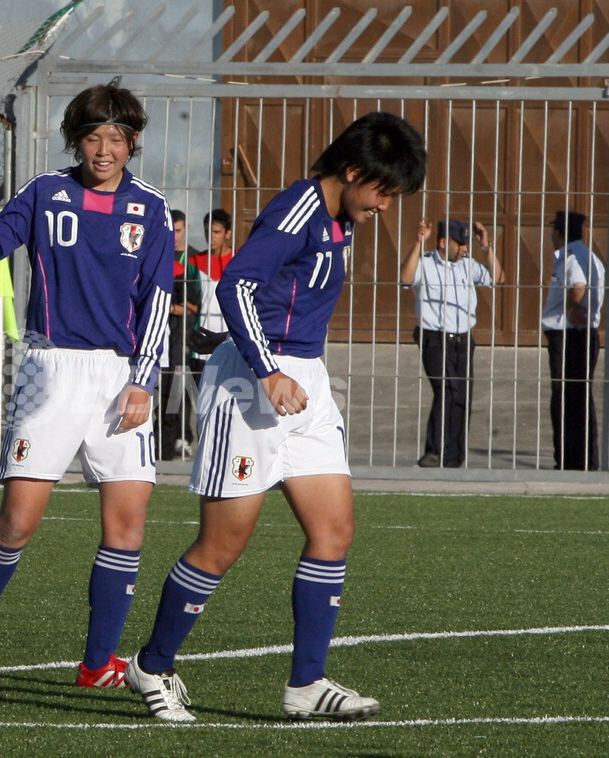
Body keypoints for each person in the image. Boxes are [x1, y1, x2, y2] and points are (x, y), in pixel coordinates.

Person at [124, 111, 427, 722]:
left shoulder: (343, 219)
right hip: (253, 381)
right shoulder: (297, 209)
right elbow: (235, 285)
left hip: (305, 383)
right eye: (384, 192)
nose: (387, 207)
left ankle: (307, 684)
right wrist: (267, 370)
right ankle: (151, 668)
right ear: (352, 171)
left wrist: (292, 373)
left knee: (334, 532)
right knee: (223, 544)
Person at [0, 78, 174, 690]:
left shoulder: (151, 208)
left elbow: (157, 300)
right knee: (17, 522)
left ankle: (97, 664)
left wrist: (143, 380)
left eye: (116, 138)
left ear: (133, 142)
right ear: (76, 140)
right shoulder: (45, 193)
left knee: (128, 526)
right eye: (92, 137)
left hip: (122, 379)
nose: (103, 150)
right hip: (50, 369)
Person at [400, 217, 504, 468]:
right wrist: (417, 242)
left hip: (463, 339)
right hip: (434, 338)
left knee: (462, 395)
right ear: (445, 243)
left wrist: (486, 246)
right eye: (462, 244)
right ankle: (434, 451)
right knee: (446, 391)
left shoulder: (468, 265)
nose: (466, 248)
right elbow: (405, 278)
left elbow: (497, 278)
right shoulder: (425, 262)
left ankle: (454, 456)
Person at [541, 210, 605, 470]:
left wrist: (571, 308)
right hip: (579, 336)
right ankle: (582, 459)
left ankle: (571, 460)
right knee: (579, 398)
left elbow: (578, 286)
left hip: (570, 338)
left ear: (558, 232)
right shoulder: (589, 256)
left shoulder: (572, 257)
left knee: (566, 400)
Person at [158, 209, 201, 460]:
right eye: (171, 230)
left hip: (183, 332)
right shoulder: (157, 254)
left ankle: (183, 437)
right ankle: (161, 437)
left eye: (179, 230)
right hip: (159, 333)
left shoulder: (193, 260)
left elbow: (195, 304)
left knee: (180, 385)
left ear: (186, 230)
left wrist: (171, 308)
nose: (174, 236)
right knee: (160, 386)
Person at [189, 208, 234, 387]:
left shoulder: (239, 260)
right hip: (202, 339)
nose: (211, 237)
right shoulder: (194, 262)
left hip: (231, 338)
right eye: (208, 232)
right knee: (202, 395)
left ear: (228, 234)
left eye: (216, 232)